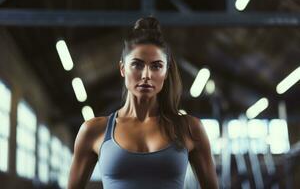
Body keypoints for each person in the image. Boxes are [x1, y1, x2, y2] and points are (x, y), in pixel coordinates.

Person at [67, 16, 218, 189]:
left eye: (156, 66)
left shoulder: (190, 128)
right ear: (123, 68)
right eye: (137, 65)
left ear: (166, 71)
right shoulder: (93, 131)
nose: (146, 75)